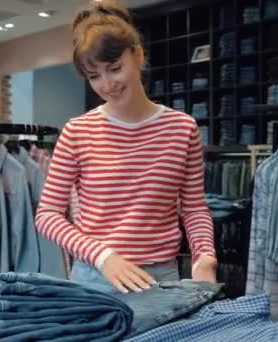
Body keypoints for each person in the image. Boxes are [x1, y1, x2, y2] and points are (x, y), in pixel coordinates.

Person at [35, 0, 217, 294]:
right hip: (95, 277)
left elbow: (194, 208)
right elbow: (48, 215)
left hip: (162, 278)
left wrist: (205, 257)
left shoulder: (182, 128)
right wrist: (103, 256)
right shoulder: (77, 132)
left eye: (115, 68)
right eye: (94, 76)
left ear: (139, 55)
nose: (107, 84)